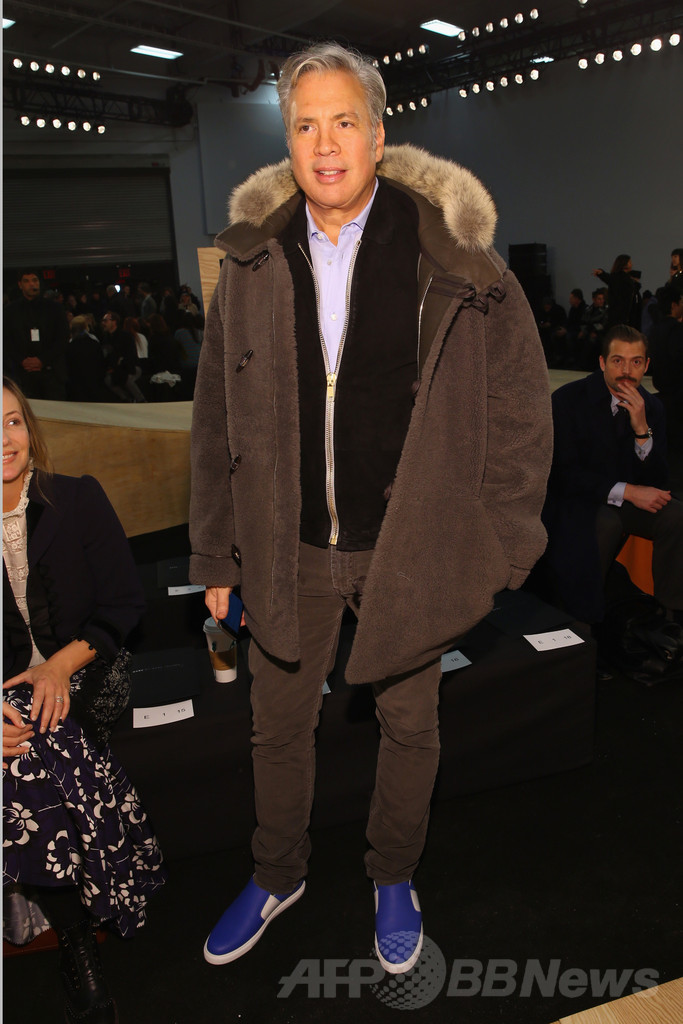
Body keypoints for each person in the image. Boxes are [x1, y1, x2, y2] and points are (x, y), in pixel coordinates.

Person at [189, 42, 552, 975]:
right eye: (305, 124)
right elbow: (215, 419)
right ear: (287, 141)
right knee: (276, 725)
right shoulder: (250, 259)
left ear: (379, 136)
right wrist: (216, 556)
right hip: (288, 546)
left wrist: (504, 539)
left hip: (411, 545)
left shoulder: (457, 260)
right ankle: (277, 873)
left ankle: (394, 876)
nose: (324, 143)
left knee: (410, 724)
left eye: (343, 121)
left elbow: (520, 409)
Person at [3, 377, 167, 1023]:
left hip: (88, 667)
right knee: (23, 750)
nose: (5, 439)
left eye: (12, 421)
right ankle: (80, 927)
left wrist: (56, 669)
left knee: (34, 745)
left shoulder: (75, 498)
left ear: (29, 427)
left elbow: (124, 604)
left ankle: (72, 936)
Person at [542, 325, 683, 624]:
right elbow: (563, 475)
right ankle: (580, 622)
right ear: (603, 362)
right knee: (606, 523)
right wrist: (628, 491)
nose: (626, 371)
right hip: (575, 499)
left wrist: (642, 430)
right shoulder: (568, 400)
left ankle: (669, 615)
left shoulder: (651, 406)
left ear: (646, 365)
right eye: (618, 361)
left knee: (675, 515)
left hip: (624, 499)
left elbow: (657, 480)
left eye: (636, 362)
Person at [4, 269, 69, 400]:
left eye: (34, 280)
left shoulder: (55, 309)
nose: (32, 284)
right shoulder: (10, 311)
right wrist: (22, 360)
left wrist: (42, 360)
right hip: (22, 374)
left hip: (51, 373)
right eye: (27, 281)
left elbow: (63, 338)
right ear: (20, 285)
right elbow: (6, 341)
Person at [593, 254, 641, 328]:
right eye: (629, 262)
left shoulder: (622, 278)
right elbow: (610, 279)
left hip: (620, 315)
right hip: (621, 315)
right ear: (624, 264)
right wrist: (602, 274)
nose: (631, 264)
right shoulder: (621, 278)